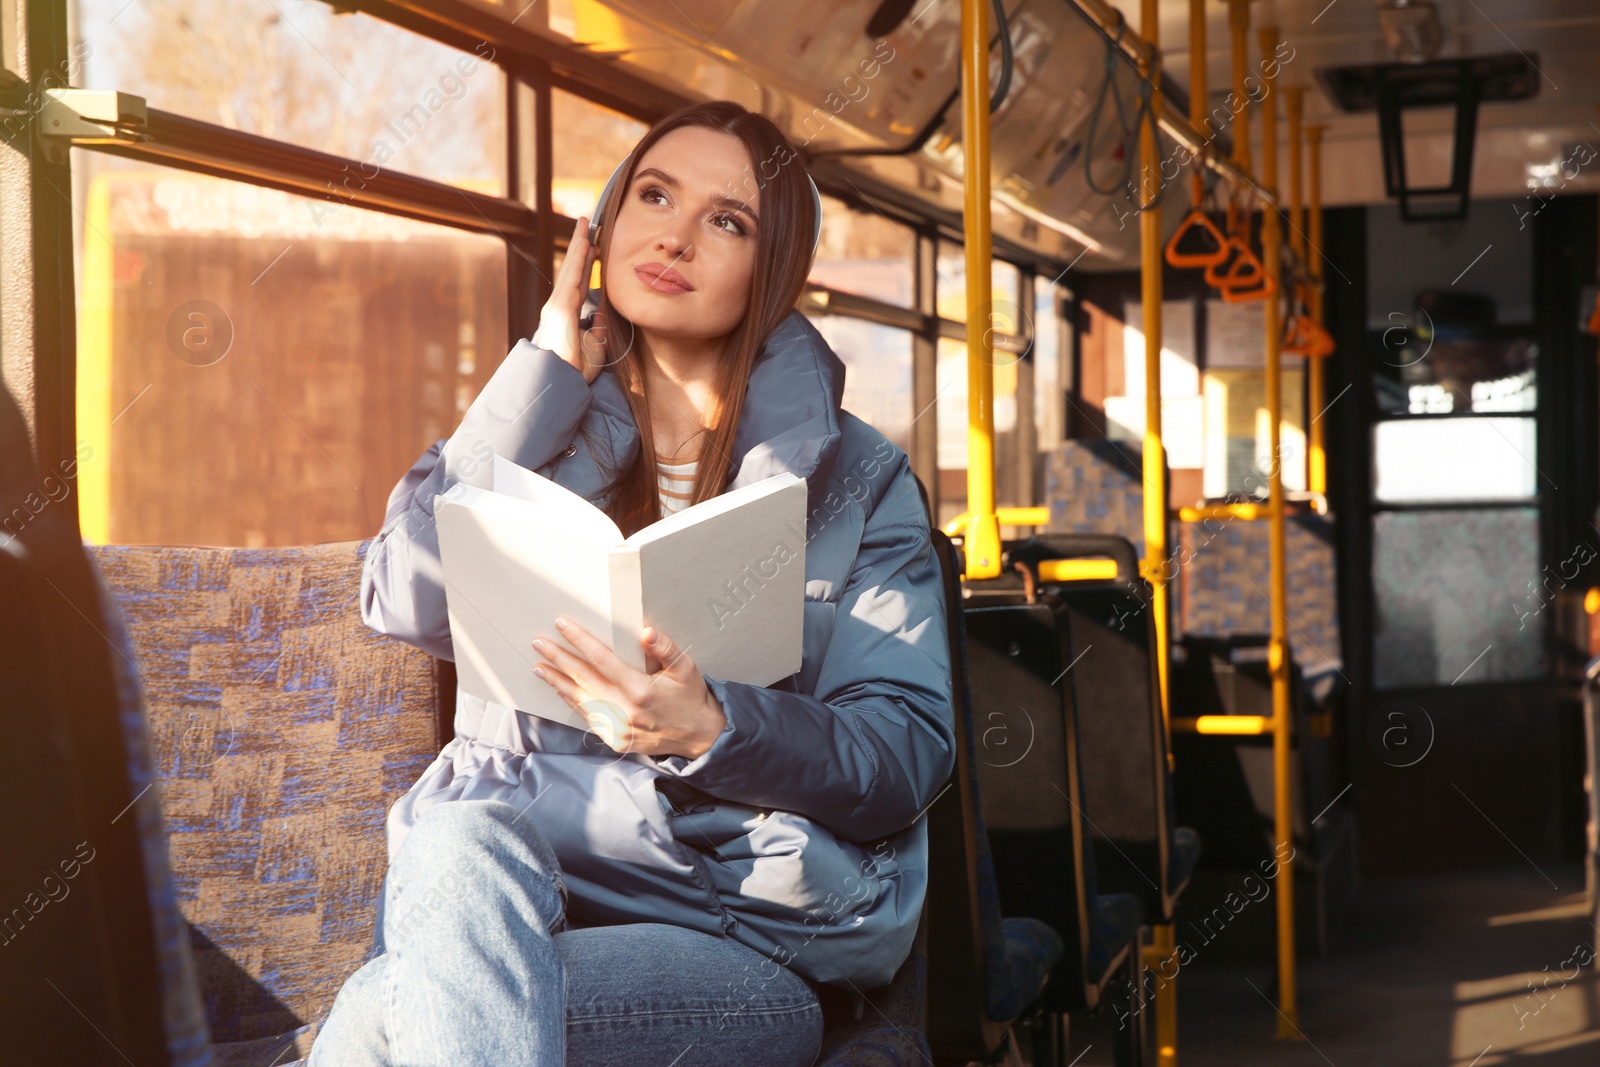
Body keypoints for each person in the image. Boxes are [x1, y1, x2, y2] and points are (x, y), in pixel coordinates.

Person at [308, 99, 954, 1067]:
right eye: (653, 195)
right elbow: (399, 595)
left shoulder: (856, 484)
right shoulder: (540, 425)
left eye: (725, 221)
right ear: (605, 225)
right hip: (513, 879)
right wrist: (537, 378)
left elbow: (902, 751)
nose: (673, 235)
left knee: (383, 1011)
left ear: (770, 270)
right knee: (453, 841)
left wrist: (715, 730)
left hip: (735, 930)